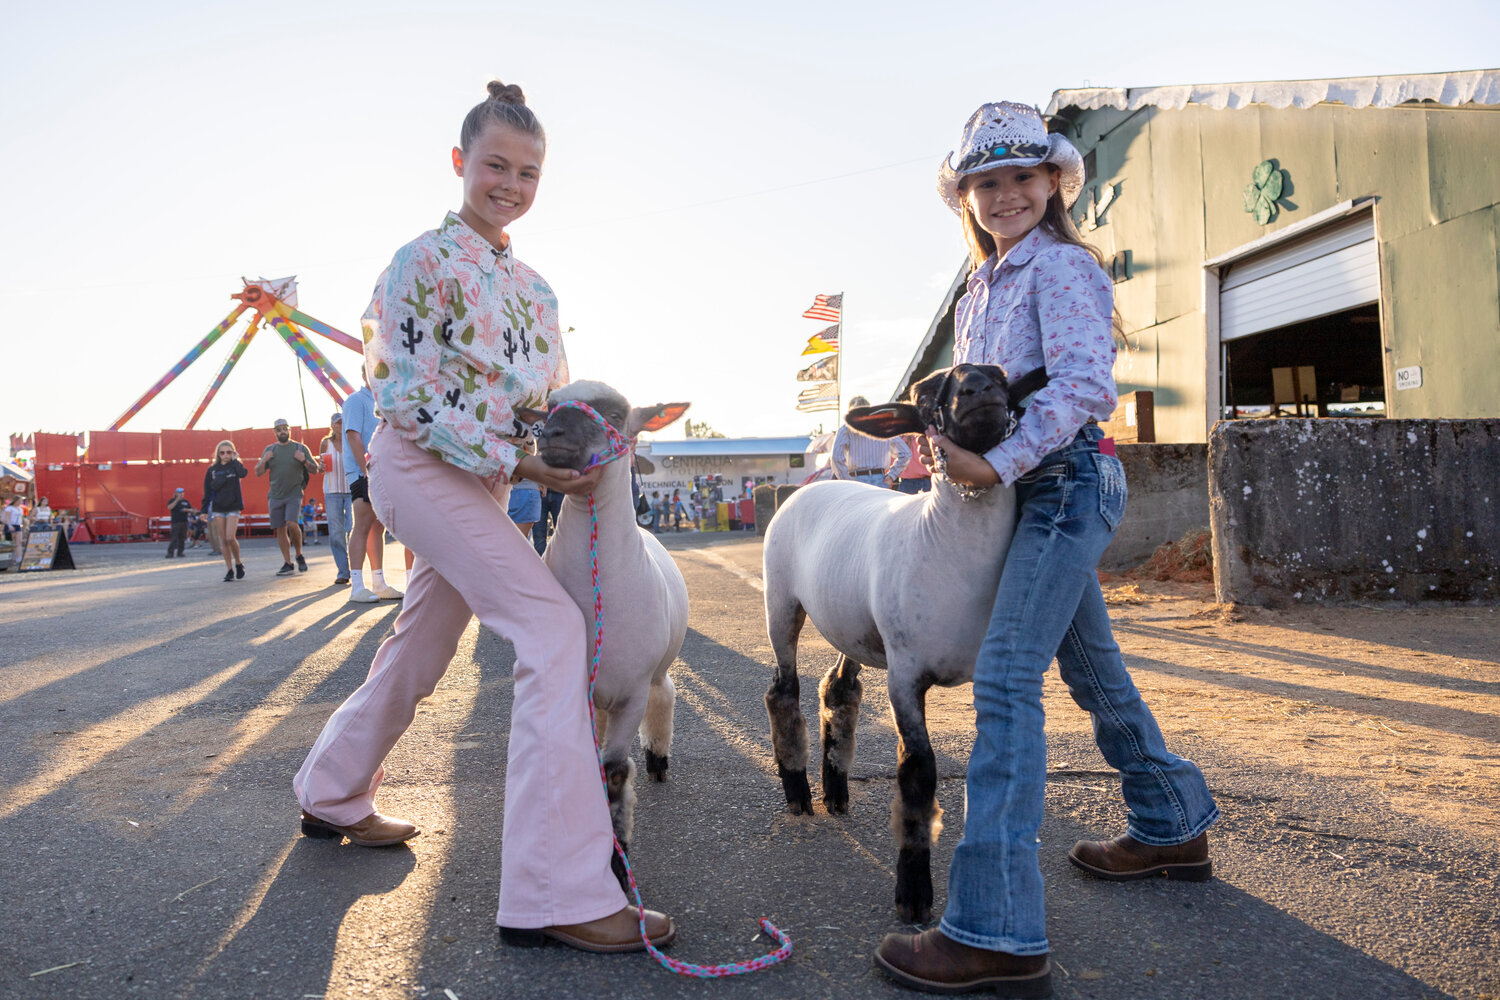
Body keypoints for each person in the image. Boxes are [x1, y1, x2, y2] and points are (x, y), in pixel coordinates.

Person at [293, 80, 674, 954]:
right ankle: (555, 895)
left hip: (491, 486)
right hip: (418, 469)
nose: (511, 183)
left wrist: (578, 454)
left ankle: (332, 788)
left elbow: (548, 408)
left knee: (423, 643)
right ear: (461, 162)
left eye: (528, 172)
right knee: (549, 631)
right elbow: (399, 390)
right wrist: (518, 460)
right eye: (496, 164)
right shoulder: (416, 263)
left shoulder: (538, 290)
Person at [874, 101, 1219, 997]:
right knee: (1092, 669)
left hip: (1064, 485)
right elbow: (974, 399)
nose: (1005, 195)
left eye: (1023, 177)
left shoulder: (1063, 267)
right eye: (986, 183)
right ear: (966, 197)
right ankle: (1170, 817)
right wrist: (946, 449)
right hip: (1022, 495)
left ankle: (995, 928)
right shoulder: (982, 284)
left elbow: (1080, 387)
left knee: (1003, 678)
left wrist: (995, 466)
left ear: (1055, 182)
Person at [342, 377, 403, 603]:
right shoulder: (356, 401)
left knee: (378, 527)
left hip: (380, 470)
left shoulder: (382, 401)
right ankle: (357, 585)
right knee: (363, 523)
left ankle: (378, 583)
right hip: (363, 471)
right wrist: (365, 468)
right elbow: (352, 435)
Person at [255, 418, 320, 577]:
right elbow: (258, 472)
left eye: (285, 428)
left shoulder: (300, 448)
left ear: (289, 430)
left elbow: (315, 470)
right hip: (275, 495)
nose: (282, 431)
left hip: (294, 493)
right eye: (279, 429)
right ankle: (288, 563)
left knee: (292, 523)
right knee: (280, 528)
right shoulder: (270, 450)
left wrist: (303, 460)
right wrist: (265, 459)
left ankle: (298, 554)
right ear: (275, 432)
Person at [831, 397, 910, 488]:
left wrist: (845, 479)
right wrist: (891, 476)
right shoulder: (883, 427)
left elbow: (836, 457)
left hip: (856, 479)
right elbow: (905, 453)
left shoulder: (846, 429)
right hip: (880, 478)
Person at [202, 440, 248, 582]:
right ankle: (229, 570)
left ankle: (239, 563)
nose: (225, 455)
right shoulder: (212, 470)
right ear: (218, 454)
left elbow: (243, 473)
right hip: (218, 508)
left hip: (233, 506)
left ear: (233, 453)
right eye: (222, 452)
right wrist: (203, 510)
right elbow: (207, 491)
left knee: (230, 537)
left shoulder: (235, 467)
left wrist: (236, 460)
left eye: (229, 452)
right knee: (223, 540)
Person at [321, 414, 353, 585]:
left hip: (351, 489)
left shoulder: (351, 439)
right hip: (332, 491)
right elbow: (321, 466)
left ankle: (356, 570)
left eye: (343, 422)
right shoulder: (326, 443)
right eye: (338, 423)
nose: (341, 426)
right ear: (332, 425)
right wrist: (320, 466)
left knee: (352, 529)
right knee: (336, 533)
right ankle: (343, 572)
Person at [165, 487, 193, 558]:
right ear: (175, 494)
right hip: (176, 522)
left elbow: (190, 510)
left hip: (184, 522)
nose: (181, 494)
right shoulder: (172, 500)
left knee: (182, 538)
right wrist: (177, 500)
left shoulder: (186, 502)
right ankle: (170, 553)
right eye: (179, 493)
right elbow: (169, 507)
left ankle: (180, 552)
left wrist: (188, 510)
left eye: (182, 493)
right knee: (174, 538)